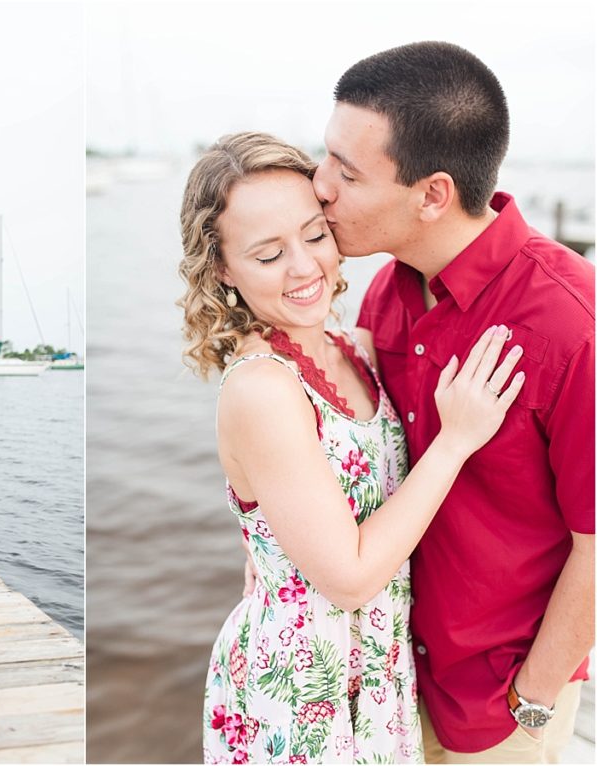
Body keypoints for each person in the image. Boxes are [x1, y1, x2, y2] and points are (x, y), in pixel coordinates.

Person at [180, 132, 524, 764]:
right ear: (223, 270)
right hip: (303, 691)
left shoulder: (352, 349)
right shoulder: (262, 388)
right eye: (267, 255)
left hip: (376, 676)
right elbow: (351, 577)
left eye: (314, 235)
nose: (305, 267)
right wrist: (455, 443)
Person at [309, 41, 595, 763]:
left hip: (496, 701)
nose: (319, 187)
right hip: (382, 682)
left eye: (346, 173)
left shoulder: (569, 324)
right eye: (325, 159)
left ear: (432, 194)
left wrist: (531, 698)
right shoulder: (387, 289)